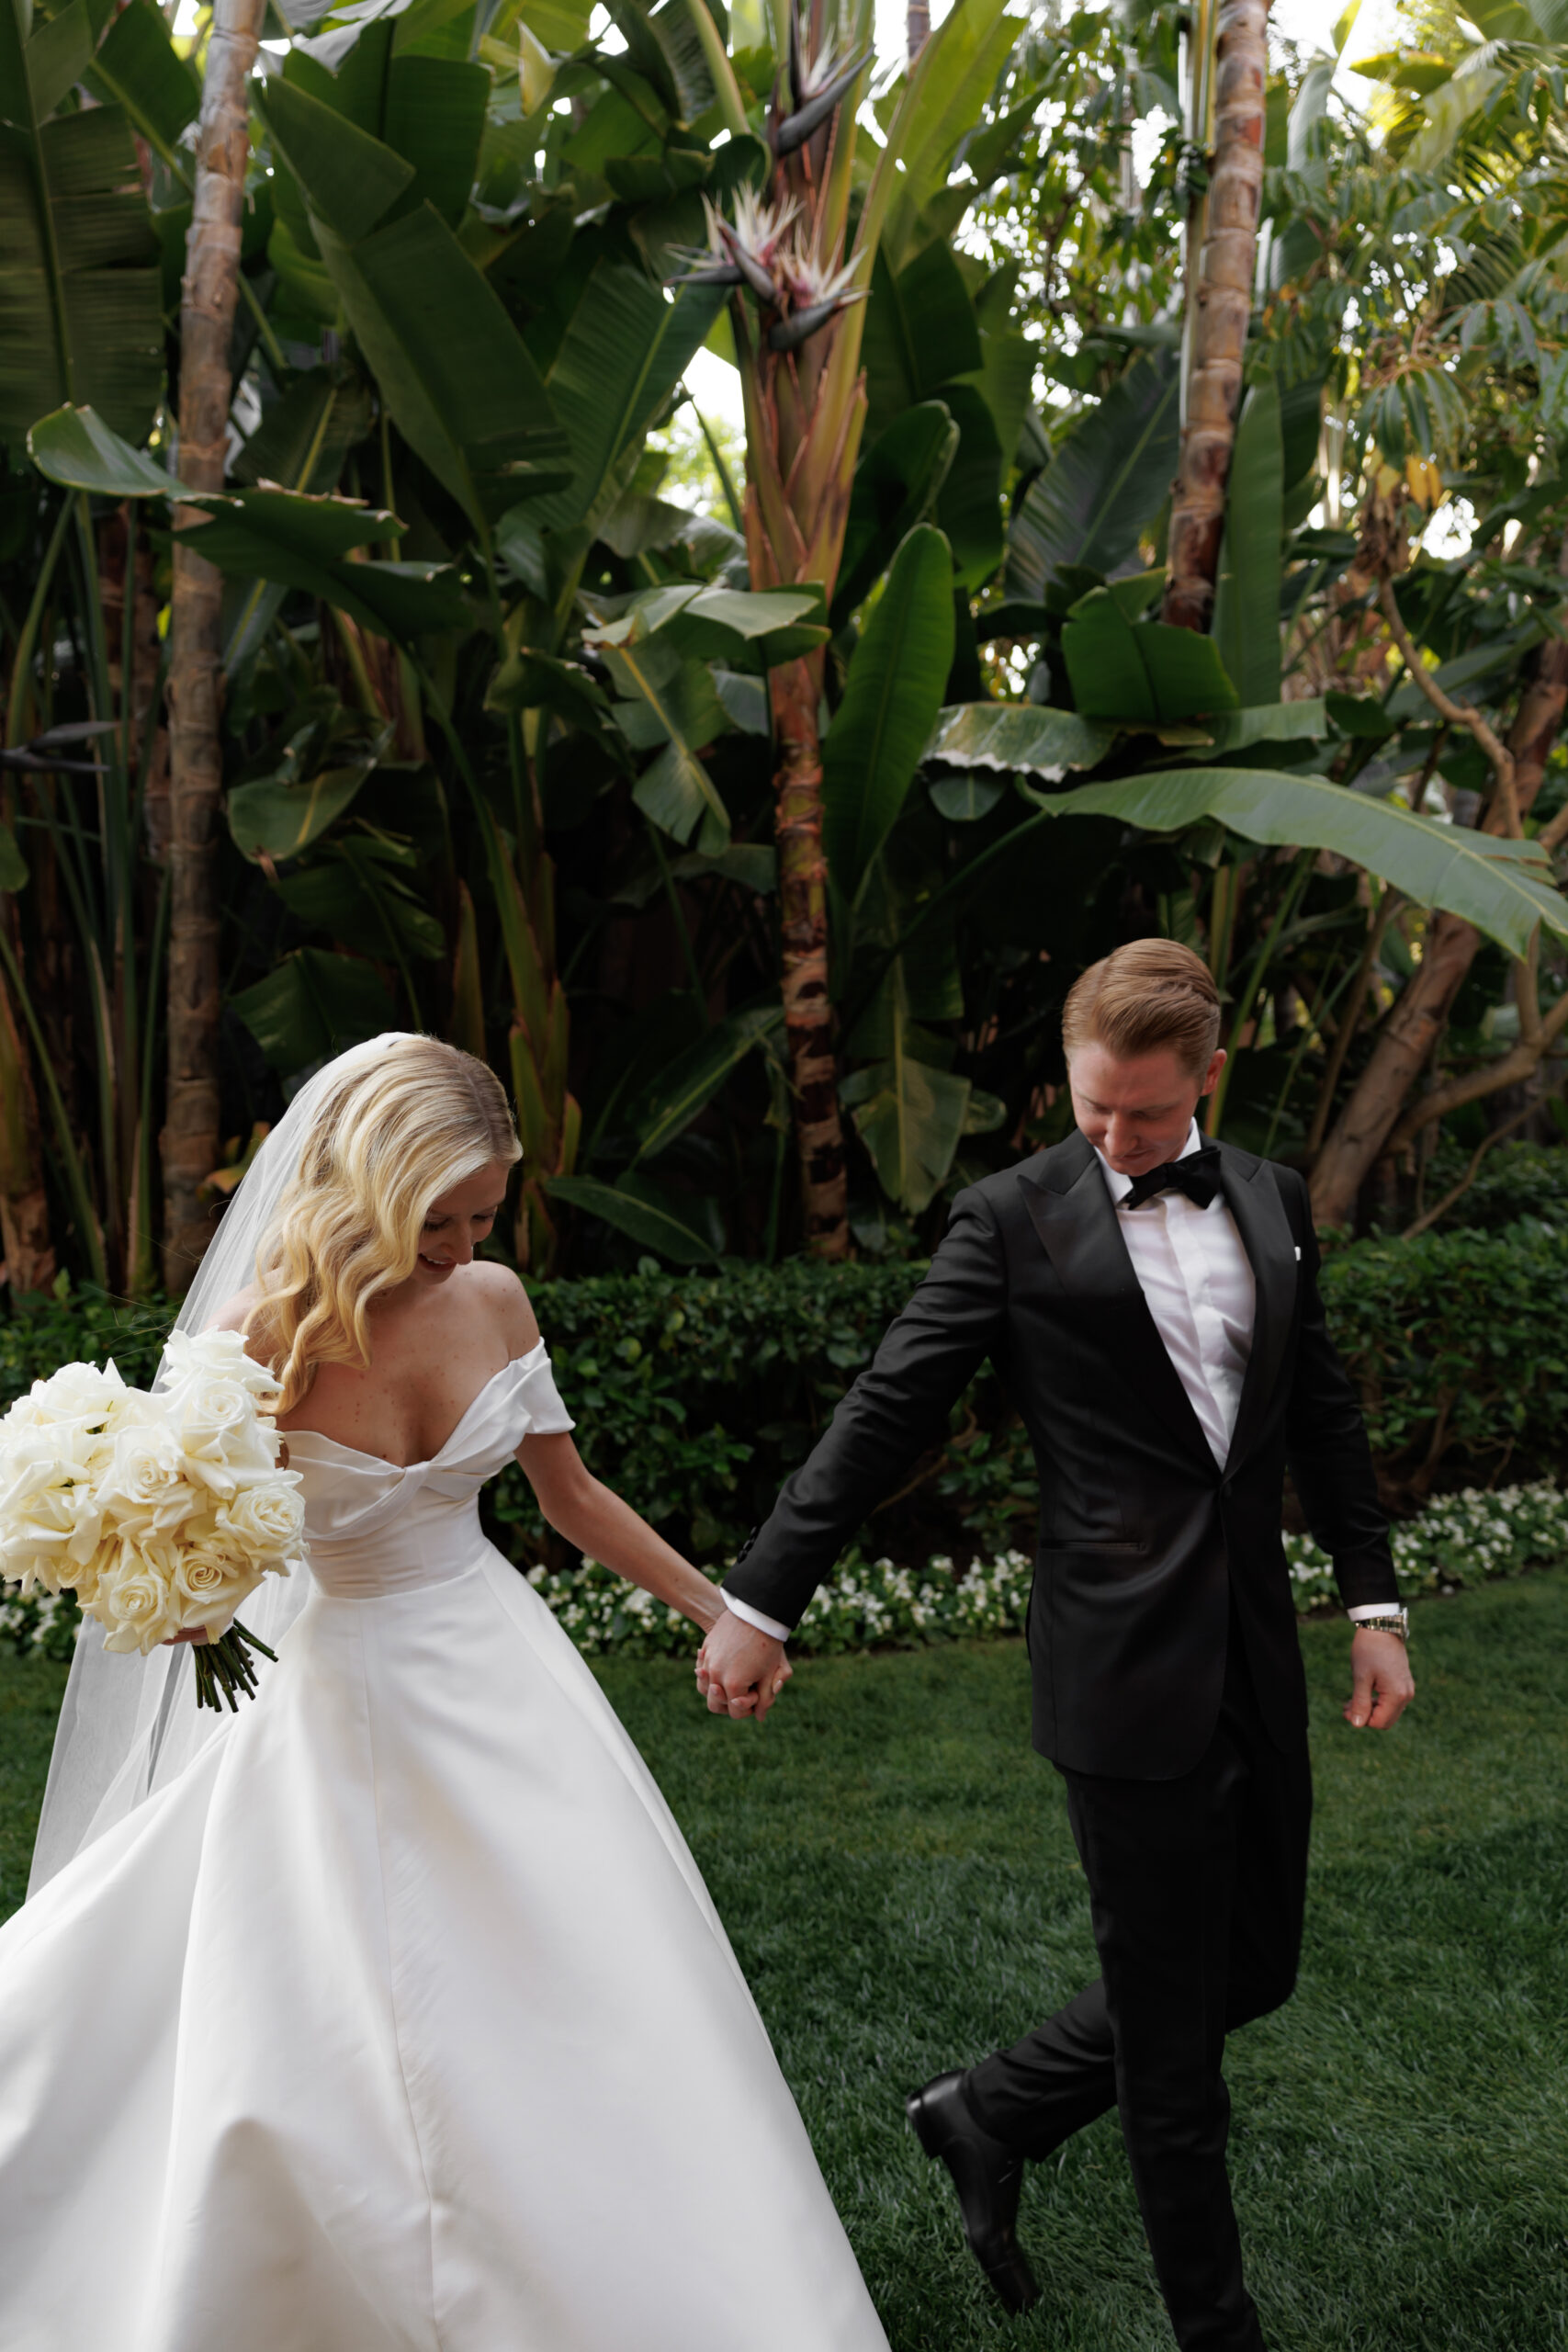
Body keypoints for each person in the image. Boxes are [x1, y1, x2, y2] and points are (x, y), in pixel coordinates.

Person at [0, 1034, 890, 2352]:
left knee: (580, 1966)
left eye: (485, 1212)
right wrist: (183, 1592)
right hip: (332, 1681)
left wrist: (718, 1606)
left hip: (491, 1667)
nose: (465, 1239)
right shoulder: (263, 1330)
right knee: (316, 1987)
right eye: (440, 1214)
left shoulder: (495, 1301)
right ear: (366, 1182)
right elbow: (218, 1555)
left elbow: (569, 1497)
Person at [698, 939, 1416, 2352]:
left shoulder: (1269, 1199)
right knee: (1170, 2055)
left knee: (1253, 1970)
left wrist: (1374, 1606)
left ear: (1209, 1075)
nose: (1116, 1137)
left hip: (1254, 1651)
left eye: (1145, 1115)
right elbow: (886, 1410)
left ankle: (990, 2110)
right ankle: (1222, 2332)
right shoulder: (1012, 1218)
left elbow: (1318, 1414)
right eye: (1093, 1107)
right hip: (1118, 1672)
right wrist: (761, 1599)